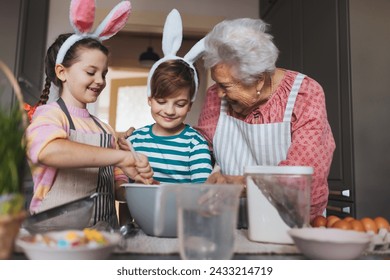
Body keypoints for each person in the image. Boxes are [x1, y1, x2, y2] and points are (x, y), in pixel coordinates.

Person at [25, 0, 153, 229]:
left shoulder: (105, 130)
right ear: (62, 72)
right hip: (55, 238)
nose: (100, 81)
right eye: (91, 72)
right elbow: (48, 151)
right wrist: (120, 157)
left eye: (104, 73)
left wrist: (138, 185)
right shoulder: (49, 116)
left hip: (102, 237)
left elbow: (115, 189)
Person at [195, 18, 336, 220]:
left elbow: (304, 180)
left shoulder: (305, 94)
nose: (218, 94)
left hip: (291, 222)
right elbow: (199, 151)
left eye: (225, 86)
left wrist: (242, 184)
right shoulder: (214, 98)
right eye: (217, 83)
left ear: (259, 80)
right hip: (232, 219)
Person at [126, 9, 212, 184]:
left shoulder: (195, 144)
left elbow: (201, 193)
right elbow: (123, 184)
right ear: (149, 99)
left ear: (190, 104)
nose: (169, 111)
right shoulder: (135, 140)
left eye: (180, 104)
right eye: (161, 101)